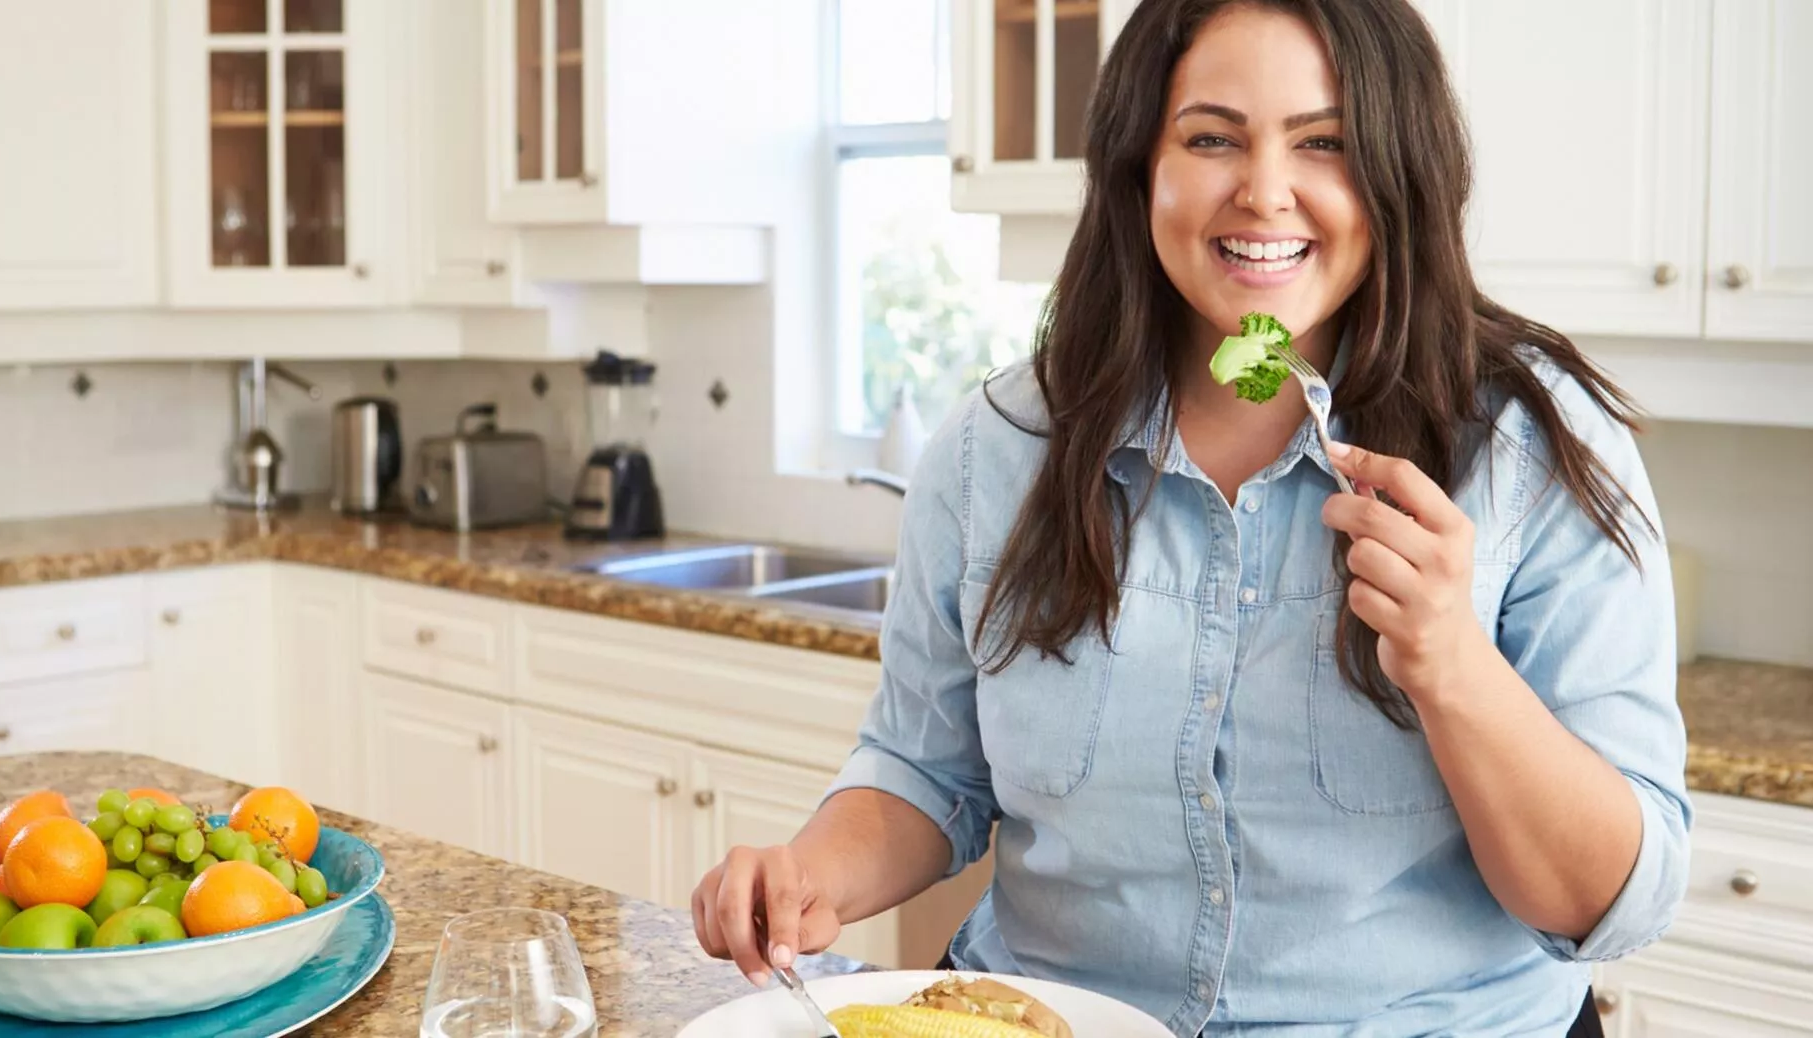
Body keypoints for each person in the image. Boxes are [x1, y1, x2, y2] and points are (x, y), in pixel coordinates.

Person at [690, 0, 1691, 1034]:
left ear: (1399, 171)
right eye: (1212, 138)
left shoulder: (1531, 450)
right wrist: (808, 878)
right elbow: (924, 770)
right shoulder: (997, 448)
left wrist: (1454, 667)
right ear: (1140, 166)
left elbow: (1609, 903)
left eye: (1326, 144)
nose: (1263, 192)